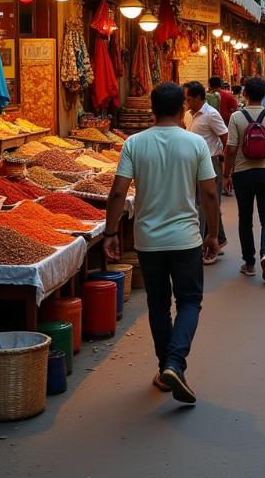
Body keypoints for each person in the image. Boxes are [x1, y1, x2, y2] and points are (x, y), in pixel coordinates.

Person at [105, 82, 219, 404]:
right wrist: (213, 233)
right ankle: (174, 364)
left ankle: (165, 368)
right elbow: (210, 193)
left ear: (152, 110)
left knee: (158, 304)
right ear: (184, 108)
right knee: (188, 302)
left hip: (148, 240)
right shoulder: (195, 144)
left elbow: (117, 191)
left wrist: (111, 232)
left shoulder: (134, 144)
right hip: (186, 239)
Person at [223, 77, 265, 282]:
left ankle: (249, 263)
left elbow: (230, 149)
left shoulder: (236, 117)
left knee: (245, 218)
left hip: (242, 173)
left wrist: (226, 174)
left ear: (245, 94)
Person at [183, 81, 229, 264]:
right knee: (203, 203)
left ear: (198, 98)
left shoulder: (211, 114)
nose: (186, 102)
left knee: (205, 203)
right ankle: (219, 239)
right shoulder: (187, 115)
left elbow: (225, 137)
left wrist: (221, 159)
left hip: (210, 162)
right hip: (192, 164)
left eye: (188, 98)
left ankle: (205, 245)